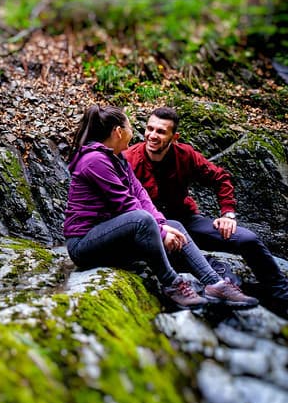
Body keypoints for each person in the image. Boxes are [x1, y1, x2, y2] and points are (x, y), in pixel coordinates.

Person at [64, 105, 258, 310]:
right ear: (118, 132)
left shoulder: (117, 158)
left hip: (110, 238)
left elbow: (140, 194)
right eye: (131, 127)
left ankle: (215, 283)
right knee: (141, 218)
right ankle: (172, 284)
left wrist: (163, 225)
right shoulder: (94, 160)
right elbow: (124, 204)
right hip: (83, 245)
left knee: (174, 224)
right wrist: (161, 231)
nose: (135, 133)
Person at [125, 106, 288, 317]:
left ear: (174, 137)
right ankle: (219, 279)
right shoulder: (128, 159)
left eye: (161, 131)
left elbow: (220, 178)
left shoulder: (185, 155)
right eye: (150, 129)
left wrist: (228, 214)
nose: (152, 135)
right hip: (154, 230)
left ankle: (282, 296)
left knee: (248, 239)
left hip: (188, 221)